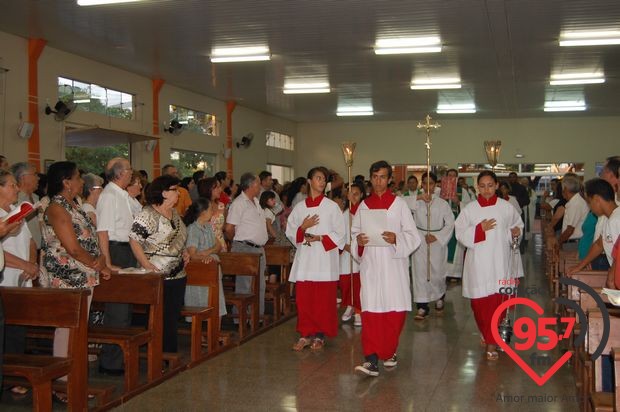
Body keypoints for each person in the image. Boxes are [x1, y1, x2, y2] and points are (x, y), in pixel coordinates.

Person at [40, 161, 110, 401]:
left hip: (84, 274)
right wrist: (95, 262)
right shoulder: (56, 207)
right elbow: (71, 246)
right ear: (66, 182)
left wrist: (100, 261)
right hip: (67, 276)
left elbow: (88, 238)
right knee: (66, 331)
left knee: (78, 330)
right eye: (78, 177)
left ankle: (76, 380)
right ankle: (62, 385)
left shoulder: (75, 205)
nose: (82, 182)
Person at [351, 160, 421, 376]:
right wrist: (359, 243)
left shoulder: (399, 205)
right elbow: (354, 235)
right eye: (375, 177)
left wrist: (396, 238)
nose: (378, 181)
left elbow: (413, 236)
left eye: (382, 177)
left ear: (390, 179)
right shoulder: (363, 206)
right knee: (371, 313)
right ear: (370, 179)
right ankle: (371, 359)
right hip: (371, 265)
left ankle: (389, 352)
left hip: (393, 266)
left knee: (394, 314)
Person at [455, 170, 523, 361]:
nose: (486, 190)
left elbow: (517, 227)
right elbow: (459, 233)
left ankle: (492, 344)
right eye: (482, 186)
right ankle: (488, 335)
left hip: (500, 262)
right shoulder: (470, 209)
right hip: (478, 264)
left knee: (497, 303)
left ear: (496, 186)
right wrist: (479, 230)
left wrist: (516, 232)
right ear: (477, 187)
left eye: (490, 185)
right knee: (479, 305)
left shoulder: (506, 207)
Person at [287, 167, 345, 351]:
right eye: (318, 178)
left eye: (324, 179)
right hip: (306, 259)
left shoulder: (331, 207)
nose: (321, 182)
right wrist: (303, 228)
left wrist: (320, 238)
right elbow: (290, 232)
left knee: (322, 301)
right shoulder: (299, 207)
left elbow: (341, 234)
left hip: (324, 260)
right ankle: (305, 334)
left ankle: (319, 335)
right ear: (309, 181)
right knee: (304, 300)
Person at [129, 175, 189, 354]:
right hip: (156, 274)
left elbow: (178, 239)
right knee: (158, 318)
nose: (178, 193)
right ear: (164, 192)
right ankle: (157, 356)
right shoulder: (148, 214)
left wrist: (183, 251)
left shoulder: (175, 214)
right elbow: (134, 240)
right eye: (174, 190)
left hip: (178, 274)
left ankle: (169, 354)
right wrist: (146, 264)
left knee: (172, 317)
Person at [96, 157, 137, 375]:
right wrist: (108, 262)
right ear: (120, 173)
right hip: (116, 250)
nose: (132, 173)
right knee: (117, 311)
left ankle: (120, 358)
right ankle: (110, 362)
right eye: (129, 170)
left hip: (127, 249)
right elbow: (102, 230)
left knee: (126, 308)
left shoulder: (123, 195)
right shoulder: (109, 195)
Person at [0, 170, 38, 396]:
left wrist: (32, 263)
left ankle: (14, 374)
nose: (17, 189)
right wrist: (25, 265)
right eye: (12, 185)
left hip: (24, 274)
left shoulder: (15, 212)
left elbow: (31, 240)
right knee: (9, 329)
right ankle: (10, 377)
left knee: (17, 329)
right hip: (8, 276)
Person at [412, 172, 455, 320]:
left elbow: (450, 223)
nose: (428, 186)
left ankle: (439, 297)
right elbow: (399, 204)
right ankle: (422, 306)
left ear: (435, 184)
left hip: (437, 242)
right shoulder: (415, 201)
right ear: (421, 185)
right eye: (425, 183)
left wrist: (437, 236)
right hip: (420, 241)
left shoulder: (442, 203)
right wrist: (417, 197)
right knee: (420, 273)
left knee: (437, 272)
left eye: (431, 183)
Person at [225, 173, 268, 317]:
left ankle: (257, 316)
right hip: (245, 247)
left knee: (260, 285)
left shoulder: (255, 201)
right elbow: (229, 228)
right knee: (245, 286)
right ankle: (241, 317)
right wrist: (237, 242)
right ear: (250, 186)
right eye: (258, 183)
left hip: (258, 249)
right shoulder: (239, 203)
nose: (260, 186)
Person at [183, 198, 227, 325]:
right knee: (202, 304)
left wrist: (207, 252)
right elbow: (192, 254)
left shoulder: (208, 226)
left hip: (212, 268)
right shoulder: (193, 229)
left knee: (217, 303)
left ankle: (214, 335)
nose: (212, 211)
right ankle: (203, 335)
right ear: (202, 212)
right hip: (201, 271)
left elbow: (218, 245)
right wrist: (205, 255)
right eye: (210, 209)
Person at [340, 182, 366, 326]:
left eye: (356, 194)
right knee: (345, 282)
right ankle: (349, 306)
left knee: (357, 284)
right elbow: (338, 233)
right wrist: (345, 246)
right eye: (351, 194)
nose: (353, 197)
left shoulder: (364, 212)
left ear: (361, 194)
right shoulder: (343, 214)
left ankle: (358, 310)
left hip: (360, 253)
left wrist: (355, 247)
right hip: (346, 252)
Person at [11, 162, 41, 249]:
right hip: (24, 251)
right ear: (23, 178)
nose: (38, 178)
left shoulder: (36, 198)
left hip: (39, 248)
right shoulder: (15, 202)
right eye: (35, 174)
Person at [558, 175, 589, 250]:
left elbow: (570, 230)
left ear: (565, 188)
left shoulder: (575, 203)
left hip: (574, 244)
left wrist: (558, 242)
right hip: (573, 242)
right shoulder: (574, 201)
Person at [198, 177, 228, 252]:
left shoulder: (221, 206)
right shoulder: (199, 207)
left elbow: (224, 228)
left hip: (220, 244)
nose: (220, 190)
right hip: (204, 245)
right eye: (217, 187)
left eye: (220, 187)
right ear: (208, 189)